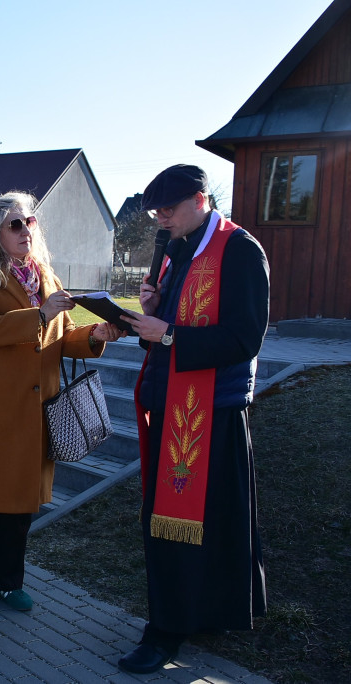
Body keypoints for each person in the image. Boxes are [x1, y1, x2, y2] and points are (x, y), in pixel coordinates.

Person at [0, 191, 123, 619]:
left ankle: (6, 581)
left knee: (20, 500)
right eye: (15, 225)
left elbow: (64, 334)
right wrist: (39, 314)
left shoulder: (45, 275)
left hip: (38, 407)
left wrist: (95, 336)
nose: (26, 231)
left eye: (30, 223)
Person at [117, 165, 269, 674]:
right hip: (174, 404)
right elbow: (167, 331)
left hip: (216, 414)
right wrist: (152, 314)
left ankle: (166, 633)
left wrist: (168, 334)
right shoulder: (178, 249)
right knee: (170, 525)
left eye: (168, 210)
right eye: (156, 212)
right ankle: (184, 615)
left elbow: (244, 339)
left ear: (200, 200)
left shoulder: (240, 250)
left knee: (196, 525)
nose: (161, 220)